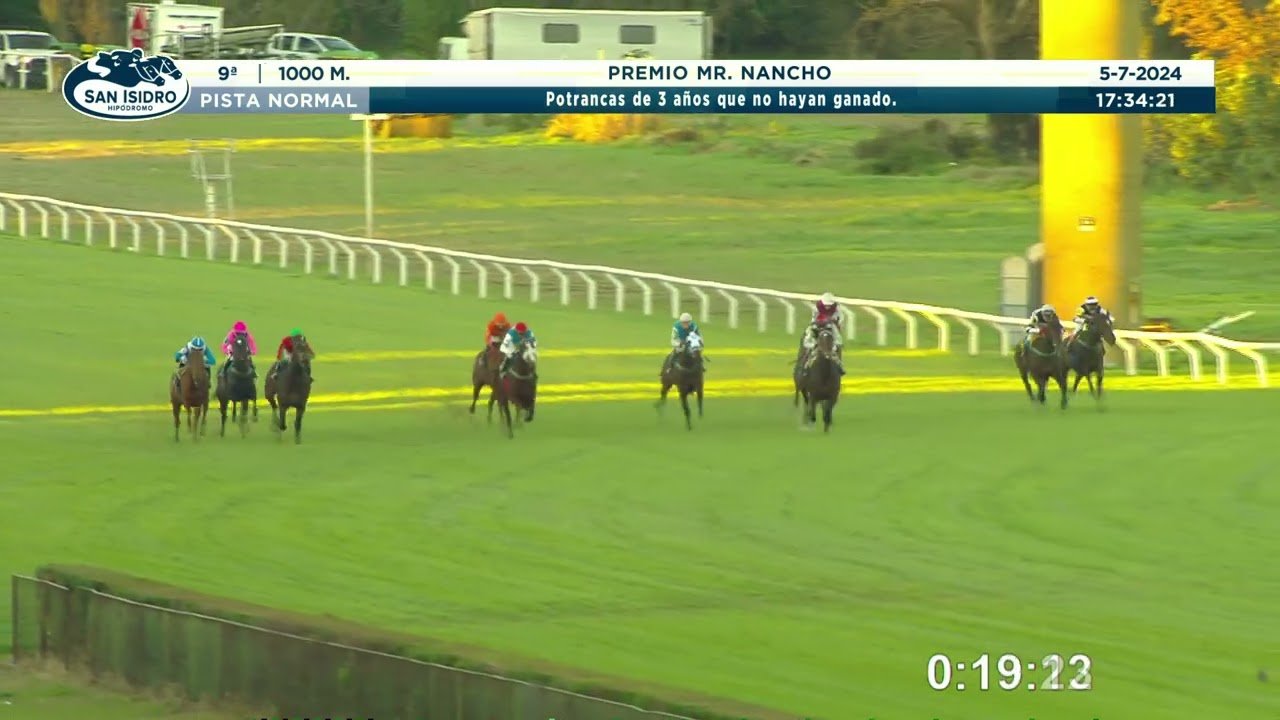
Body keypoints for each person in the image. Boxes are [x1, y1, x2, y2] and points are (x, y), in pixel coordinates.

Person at [800, 292, 845, 374]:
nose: (827, 306)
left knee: (838, 338)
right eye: (826, 305)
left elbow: (841, 318)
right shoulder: (817, 307)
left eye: (829, 305)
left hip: (831, 326)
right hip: (818, 325)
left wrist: (836, 323)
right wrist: (816, 323)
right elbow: (813, 318)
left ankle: (839, 364)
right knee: (809, 333)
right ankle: (807, 361)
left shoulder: (837, 308)